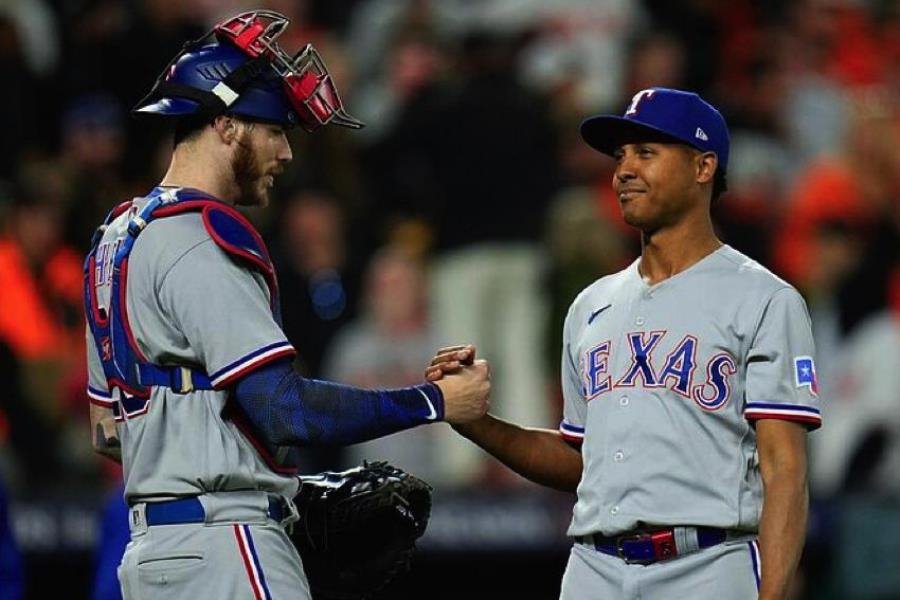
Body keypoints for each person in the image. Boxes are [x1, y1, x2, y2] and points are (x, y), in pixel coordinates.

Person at [83, 10, 490, 600]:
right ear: (225, 125)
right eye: (274, 129)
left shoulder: (114, 237)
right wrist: (436, 401)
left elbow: (107, 433)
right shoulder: (201, 232)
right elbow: (284, 409)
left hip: (152, 557)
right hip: (227, 547)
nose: (285, 152)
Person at [428, 88, 822, 600]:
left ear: (703, 167)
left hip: (707, 565)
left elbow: (785, 470)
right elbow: (579, 460)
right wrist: (478, 424)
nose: (624, 171)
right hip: (594, 568)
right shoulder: (591, 305)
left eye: (646, 153)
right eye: (620, 156)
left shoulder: (763, 298)